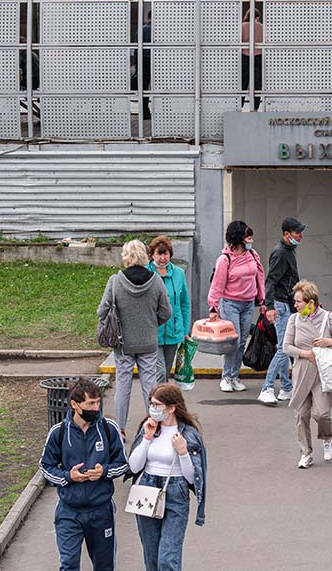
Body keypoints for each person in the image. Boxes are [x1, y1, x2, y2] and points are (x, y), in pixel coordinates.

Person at [39, 377, 130, 571]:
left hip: (101, 511)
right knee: (69, 564)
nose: (96, 408)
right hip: (69, 512)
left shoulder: (108, 428)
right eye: (90, 403)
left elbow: (123, 464)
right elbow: (46, 467)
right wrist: (68, 477)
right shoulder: (59, 432)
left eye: (98, 402)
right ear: (74, 404)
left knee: (104, 566)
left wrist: (104, 472)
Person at [127, 383, 208, 571]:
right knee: (152, 557)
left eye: (157, 405)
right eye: (151, 404)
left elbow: (192, 478)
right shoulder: (149, 428)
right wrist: (147, 437)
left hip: (175, 491)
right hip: (147, 488)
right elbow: (134, 466)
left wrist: (182, 452)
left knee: (167, 558)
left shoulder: (188, 434)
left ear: (171, 408)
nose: (152, 409)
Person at [99, 239, 173, 430]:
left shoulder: (115, 281)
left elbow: (102, 311)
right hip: (148, 343)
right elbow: (166, 312)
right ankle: (153, 425)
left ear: (125, 257)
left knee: (123, 387)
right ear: (145, 256)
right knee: (150, 387)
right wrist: (151, 324)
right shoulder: (156, 280)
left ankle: (120, 429)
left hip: (123, 344)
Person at [283, 280, 332, 468]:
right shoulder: (294, 319)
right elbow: (286, 347)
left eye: (299, 302)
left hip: (323, 374)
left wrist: (328, 342)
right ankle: (306, 453)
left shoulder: (329, 318)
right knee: (301, 415)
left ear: (311, 302)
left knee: (322, 414)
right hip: (302, 372)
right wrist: (305, 354)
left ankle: (327, 438)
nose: (295, 305)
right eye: (295, 301)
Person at [207, 220, 265, 393]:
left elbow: (259, 278)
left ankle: (235, 375)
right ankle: (226, 376)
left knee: (241, 342)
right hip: (230, 303)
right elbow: (217, 284)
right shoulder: (225, 259)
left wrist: (262, 301)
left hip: (248, 304)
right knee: (233, 341)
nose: (251, 240)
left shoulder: (253, 255)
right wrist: (213, 307)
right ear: (239, 238)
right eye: (248, 237)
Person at [258, 216, 306, 406]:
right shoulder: (281, 253)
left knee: (286, 346)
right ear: (287, 234)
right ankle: (267, 388)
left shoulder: (288, 251)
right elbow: (271, 280)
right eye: (297, 232)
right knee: (284, 348)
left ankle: (286, 388)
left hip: (284, 303)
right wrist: (269, 306)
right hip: (280, 305)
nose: (300, 236)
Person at [147, 236, 190, 382]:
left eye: (165, 254)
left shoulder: (179, 273)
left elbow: (184, 303)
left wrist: (185, 330)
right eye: (159, 254)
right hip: (153, 331)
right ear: (152, 255)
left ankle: (159, 400)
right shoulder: (146, 273)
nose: (162, 258)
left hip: (174, 330)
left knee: (165, 371)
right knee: (158, 372)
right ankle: (158, 401)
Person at [241, 9, 263, 110]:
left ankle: (239, 105)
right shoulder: (262, 27)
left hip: (245, 56)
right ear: (257, 17)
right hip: (258, 56)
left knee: (242, 82)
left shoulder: (243, 26)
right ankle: (255, 107)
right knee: (257, 83)